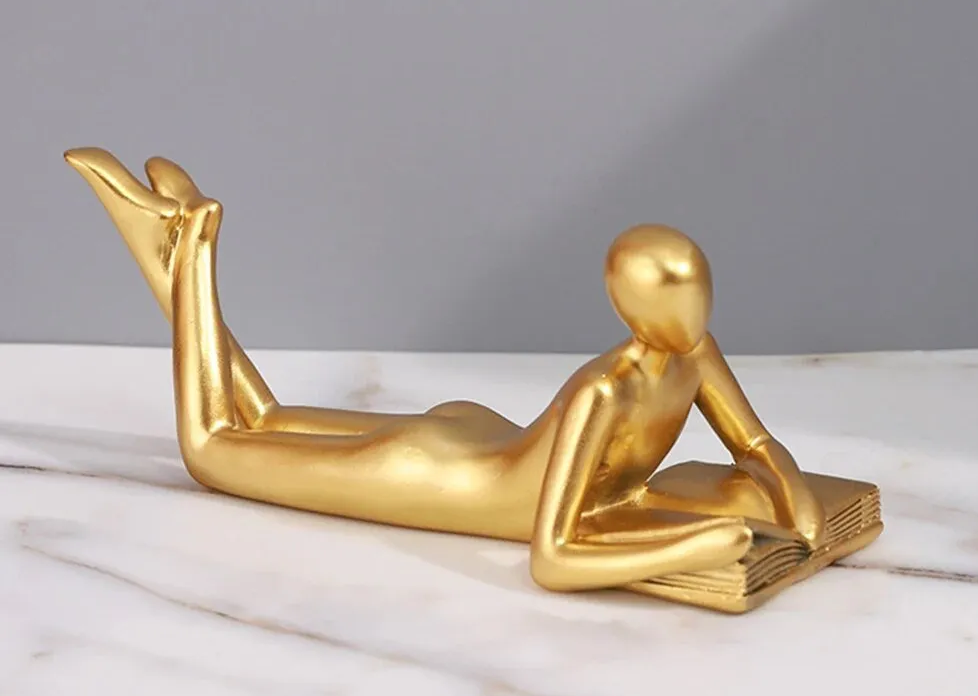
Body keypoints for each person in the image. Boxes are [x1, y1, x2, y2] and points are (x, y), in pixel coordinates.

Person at [66, 149, 826, 593]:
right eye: (678, 302)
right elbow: (553, 555)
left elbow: (756, 446)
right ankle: (192, 249)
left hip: (482, 441)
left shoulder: (696, 352)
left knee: (262, 421)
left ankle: (172, 245)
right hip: (441, 475)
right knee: (216, 447)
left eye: (699, 295)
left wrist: (802, 515)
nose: (695, 316)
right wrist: (694, 547)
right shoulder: (607, 390)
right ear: (632, 311)